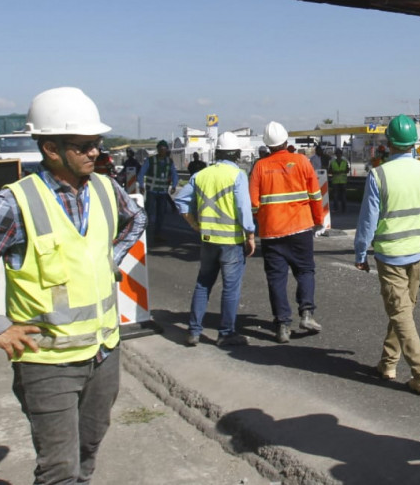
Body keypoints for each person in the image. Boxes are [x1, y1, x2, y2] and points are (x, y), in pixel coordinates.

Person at [0, 87, 145, 485]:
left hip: (104, 353)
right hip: (47, 363)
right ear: (51, 148)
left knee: (86, 452)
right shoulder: (14, 202)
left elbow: (135, 220)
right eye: (84, 146)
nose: (95, 154)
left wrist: (111, 257)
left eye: (97, 145)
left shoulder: (105, 188)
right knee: (59, 469)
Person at [355, 115, 420, 394]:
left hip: (390, 254)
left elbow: (367, 220)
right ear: (413, 143)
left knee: (401, 313)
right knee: (403, 310)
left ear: (388, 143)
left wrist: (360, 251)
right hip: (417, 250)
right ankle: (388, 363)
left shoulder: (379, 174)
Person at [174, 131, 256, 348]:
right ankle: (226, 333)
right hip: (231, 242)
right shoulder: (237, 175)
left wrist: (194, 224)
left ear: (217, 153)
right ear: (237, 154)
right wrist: (250, 234)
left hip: (208, 239)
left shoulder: (201, 175)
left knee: (203, 284)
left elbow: (180, 201)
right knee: (230, 288)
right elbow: (243, 209)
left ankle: (193, 331)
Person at [248, 121, 326, 344]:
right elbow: (315, 195)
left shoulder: (260, 167)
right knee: (305, 271)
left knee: (276, 279)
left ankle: (283, 326)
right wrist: (318, 221)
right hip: (301, 228)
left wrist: (260, 222)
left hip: (272, 233)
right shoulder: (302, 161)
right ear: (286, 140)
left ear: (267, 145)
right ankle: (307, 314)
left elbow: (253, 204)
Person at [139, 140, 178, 242]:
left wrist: (174, 185)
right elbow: (142, 173)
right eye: (161, 149)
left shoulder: (169, 162)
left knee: (161, 213)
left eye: (164, 149)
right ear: (158, 149)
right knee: (149, 211)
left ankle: (157, 233)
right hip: (152, 191)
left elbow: (174, 174)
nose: (162, 151)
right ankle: (145, 233)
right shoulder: (151, 160)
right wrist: (141, 185)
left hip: (163, 192)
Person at [327, 148, 351, 215]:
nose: (338, 155)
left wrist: (342, 171)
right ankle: (336, 208)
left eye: (339, 153)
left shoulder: (344, 161)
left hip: (343, 181)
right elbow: (329, 171)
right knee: (335, 196)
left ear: (341, 154)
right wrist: (334, 172)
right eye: (337, 153)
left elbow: (348, 170)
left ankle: (343, 208)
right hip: (335, 181)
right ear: (336, 154)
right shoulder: (332, 162)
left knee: (343, 196)